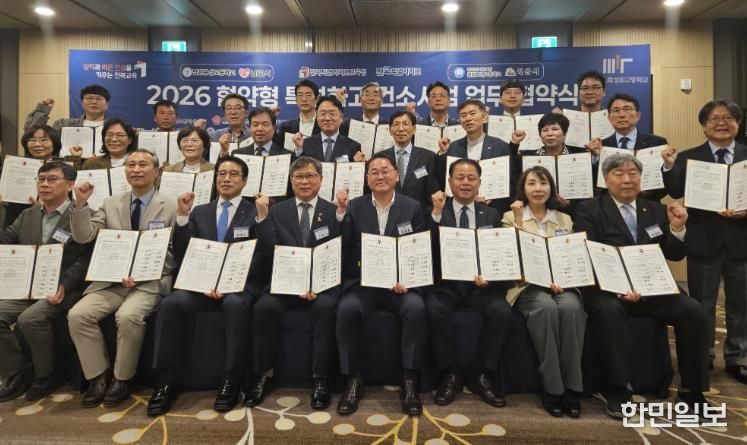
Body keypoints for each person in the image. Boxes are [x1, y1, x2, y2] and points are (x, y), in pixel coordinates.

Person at [574, 152, 709, 418]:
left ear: (641, 178)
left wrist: (677, 229)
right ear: (606, 179)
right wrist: (620, 286)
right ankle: (617, 389)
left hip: (652, 289)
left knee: (693, 310)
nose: (627, 180)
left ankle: (692, 390)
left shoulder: (656, 209)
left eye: (633, 173)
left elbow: (674, 254)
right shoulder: (590, 209)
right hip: (610, 290)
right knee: (608, 312)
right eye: (619, 174)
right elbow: (588, 253)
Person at [148, 155, 262, 416]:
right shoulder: (199, 211)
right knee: (171, 304)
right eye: (221, 174)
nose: (226, 179)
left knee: (236, 305)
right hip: (200, 285)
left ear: (244, 180)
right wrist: (182, 217)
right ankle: (166, 380)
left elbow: (260, 255)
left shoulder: (255, 211)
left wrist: (229, 281)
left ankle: (231, 379)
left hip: (238, 285)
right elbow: (184, 251)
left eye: (233, 174)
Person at [68, 149, 177, 408]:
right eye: (131, 165)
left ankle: (122, 378)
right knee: (78, 315)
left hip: (149, 282)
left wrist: (141, 273)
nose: (136, 169)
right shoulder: (110, 203)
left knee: (128, 316)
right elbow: (84, 236)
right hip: (112, 281)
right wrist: (81, 205)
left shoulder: (171, 204)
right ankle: (98, 376)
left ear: (156, 171)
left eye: (143, 164)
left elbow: (173, 250)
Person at [335, 152, 428, 416]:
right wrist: (340, 213)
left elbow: (418, 248)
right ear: (367, 180)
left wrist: (407, 279)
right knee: (345, 310)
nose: (380, 176)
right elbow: (345, 247)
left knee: (416, 309)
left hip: (401, 286)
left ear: (397, 176)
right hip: (365, 285)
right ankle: (353, 379)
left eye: (386, 170)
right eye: (374, 172)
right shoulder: (355, 207)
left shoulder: (412, 207)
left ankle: (409, 380)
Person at [661, 99, 747, 384]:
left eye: (728, 118)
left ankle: (738, 357)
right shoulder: (689, 157)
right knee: (703, 304)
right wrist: (669, 166)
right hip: (703, 241)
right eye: (714, 119)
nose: (721, 123)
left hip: (741, 242)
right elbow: (675, 190)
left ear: (738, 123)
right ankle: (704, 354)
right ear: (704, 126)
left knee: (741, 305)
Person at [247, 156, 340, 410]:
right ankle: (262, 375)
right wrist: (262, 218)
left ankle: (320, 378)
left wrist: (316, 285)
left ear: (321, 179)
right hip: (284, 284)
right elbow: (269, 250)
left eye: (310, 176)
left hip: (320, 286)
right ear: (291, 181)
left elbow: (337, 252)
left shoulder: (333, 211)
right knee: (264, 307)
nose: (305, 182)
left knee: (326, 307)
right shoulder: (277, 211)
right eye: (299, 177)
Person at [0, 162, 92, 402]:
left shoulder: (81, 214)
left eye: (52, 179)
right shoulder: (28, 215)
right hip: (28, 287)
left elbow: (85, 259)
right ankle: (18, 371)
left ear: (69, 185)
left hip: (64, 289)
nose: (44, 184)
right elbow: (6, 242)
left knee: (30, 319)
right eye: (41, 179)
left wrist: (65, 285)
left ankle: (45, 375)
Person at [426, 159, 511, 409]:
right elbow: (428, 248)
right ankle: (450, 373)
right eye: (459, 178)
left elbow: (497, 253)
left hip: (479, 286)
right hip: (446, 285)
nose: (465, 183)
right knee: (433, 308)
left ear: (479, 183)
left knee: (502, 312)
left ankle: (482, 374)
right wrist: (436, 215)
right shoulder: (436, 210)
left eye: (471, 178)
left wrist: (489, 276)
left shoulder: (491, 214)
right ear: (449, 182)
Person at [502, 165, 585, 418]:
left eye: (543, 183)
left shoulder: (564, 220)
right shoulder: (510, 217)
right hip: (527, 286)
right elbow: (511, 256)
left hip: (561, 284)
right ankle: (553, 387)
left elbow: (571, 256)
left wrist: (562, 279)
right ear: (523, 189)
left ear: (551, 188)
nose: (538, 189)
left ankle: (572, 385)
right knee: (546, 308)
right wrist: (518, 221)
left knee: (572, 308)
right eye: (532, 183)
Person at [437, 99, 523, 216]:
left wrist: (491, 197)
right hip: (459, 210)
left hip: (492, 210)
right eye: (463, 115)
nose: (468, 118)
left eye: (472, 113)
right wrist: (442, 153)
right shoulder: (453, 147)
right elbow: (445, 179)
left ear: (484, 117)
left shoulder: (501, 146)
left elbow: (511, 182)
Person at [602, 93, 668, 201]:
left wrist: (646, 195)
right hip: (609, 206)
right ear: (609, 117)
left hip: (648, 204)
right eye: (616, 110)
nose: (621, 115)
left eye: (627, 109)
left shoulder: (657, 143)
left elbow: (665, 181)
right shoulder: (601, 146)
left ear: (638, 115)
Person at [1, 125, 65, 229]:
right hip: (16, 220)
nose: (37, 144)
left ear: (54, 143)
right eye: (32, 140)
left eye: (43, 140)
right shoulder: (14, 165)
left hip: (54, 222)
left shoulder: (64, 168)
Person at [380, 110, 438, 209]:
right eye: (396, 124)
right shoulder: (380, 158)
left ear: (414, 129)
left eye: (405, 124)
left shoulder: (428, 158)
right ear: (390, 130)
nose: (401, 129)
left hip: (418, 215)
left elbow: (432, 194)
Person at [292, 95, 363, 163]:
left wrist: (359, 164)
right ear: (317, 117)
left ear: (341, 117)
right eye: (323, 114)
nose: (327, 118)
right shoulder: (305, 144)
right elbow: (296, 168)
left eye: (332, 114)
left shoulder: (352, 146)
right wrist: (299, 149)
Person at [24, 84, 110, 132]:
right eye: (89, 98)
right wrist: (42, 110)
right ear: (82, 103)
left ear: (107, 105)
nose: (94, 102)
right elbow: (31, 133)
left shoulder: (113, 127)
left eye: (99, 99)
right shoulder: (64, 125)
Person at [274, 79, 322, 145]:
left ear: (316, 98)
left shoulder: (323, 125)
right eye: (300, 95)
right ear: (296, 99)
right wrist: (271, 118)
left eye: (308, 95)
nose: (304, 99)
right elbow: (276, 148)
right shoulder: (286, 127)